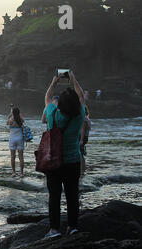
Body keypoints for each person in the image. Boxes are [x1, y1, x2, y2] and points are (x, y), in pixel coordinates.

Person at [42, 71, 85, 238]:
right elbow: (81, 96)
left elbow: (47, 97)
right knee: (72, 195)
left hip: (54, 161)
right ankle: (73, 227)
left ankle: (54, 230)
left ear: (60, 104)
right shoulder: (79, 114)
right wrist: (73, 79)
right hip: (73, 160)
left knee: (54, 196)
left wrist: (54, 82)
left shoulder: (52, 113)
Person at [6, 106, 25, 177]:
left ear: (13, 113)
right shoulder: (20, 119)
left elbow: (6, 122)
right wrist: (19, 114)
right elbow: (23, 120)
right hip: (20, 138)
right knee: (21, 157)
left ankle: (14, 172)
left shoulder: (11, 120)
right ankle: (21, 173)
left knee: (12, 156)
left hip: (12, 139)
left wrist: (10, 114)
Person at [80, 106, 92, 176]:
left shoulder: (84, 119)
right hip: (85, 137)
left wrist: (81, 140)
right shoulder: (87, 118)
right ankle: (83, 168)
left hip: (83, 137)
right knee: (81, 153)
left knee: (81, 153)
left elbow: (82, 129)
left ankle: (82, 169)